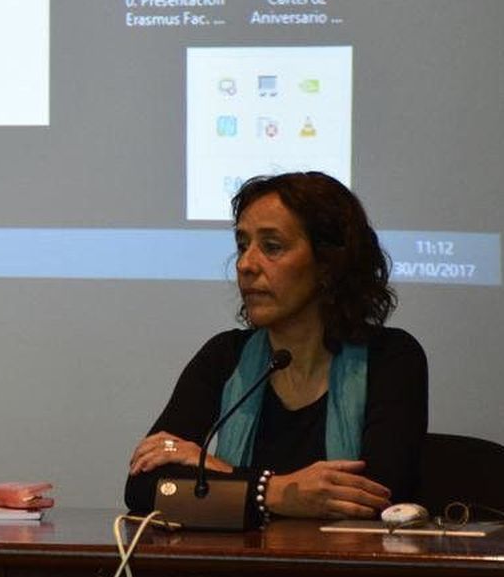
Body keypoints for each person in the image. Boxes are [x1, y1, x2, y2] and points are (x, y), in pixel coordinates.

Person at [125, 172, 427, 523]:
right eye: (242, 245)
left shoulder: (391, 358)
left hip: (348, 575)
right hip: (237, 575)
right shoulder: (224, 358)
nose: (245, 265)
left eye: (272, 247)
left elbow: (376, 497)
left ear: (328, 263)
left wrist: (218, 471)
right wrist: (273, 490)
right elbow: (145, 486)